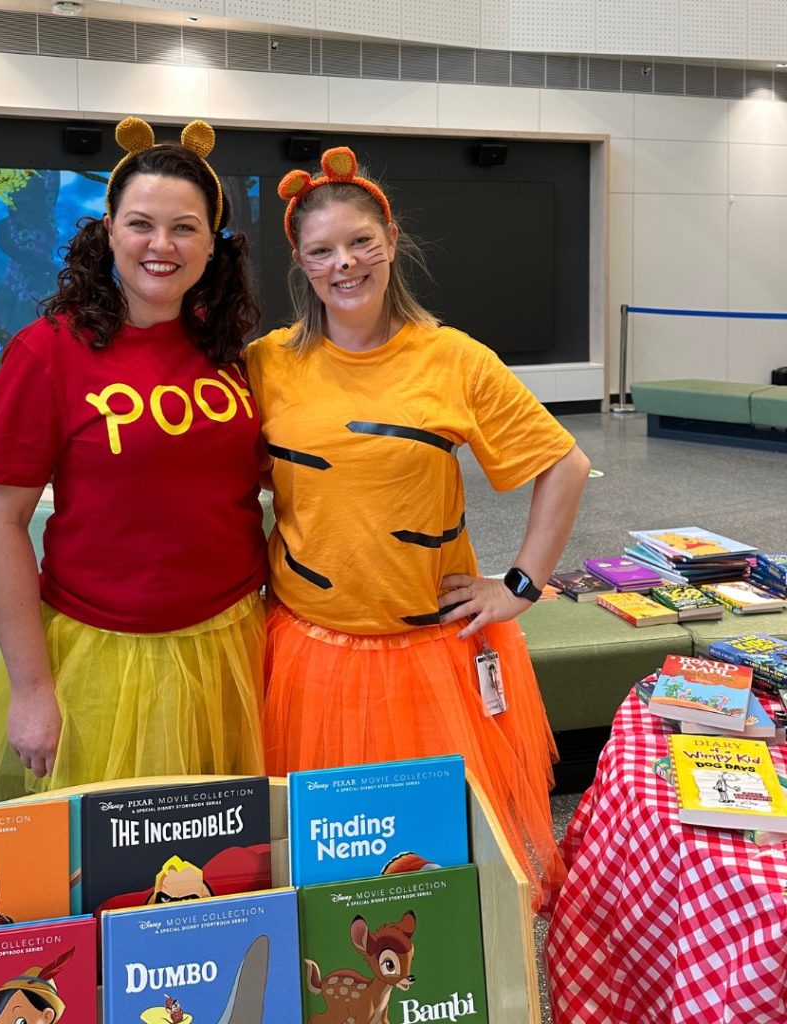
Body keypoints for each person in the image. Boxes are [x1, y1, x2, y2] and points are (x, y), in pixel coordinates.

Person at [245, 146, 591, 909]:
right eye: (322, 250)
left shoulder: (453, 359)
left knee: (440, 879)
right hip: (308, 658)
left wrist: (522, 585)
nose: (346, 263)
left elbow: (563, 464)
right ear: (300, 264)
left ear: (392, 241)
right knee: (325, 878)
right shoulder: (266, 364)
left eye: (361, 241)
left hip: (432, 661)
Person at [0, 116, 267, 802]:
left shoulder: (229, 351)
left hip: (233, 646)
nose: (161, 245)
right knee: (107, 872)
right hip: (103, 656)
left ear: (212, 242)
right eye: (141, 224)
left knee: (228, 863)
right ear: (108, 229)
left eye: (185, 227)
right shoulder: (46, 354)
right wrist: (33, 689)